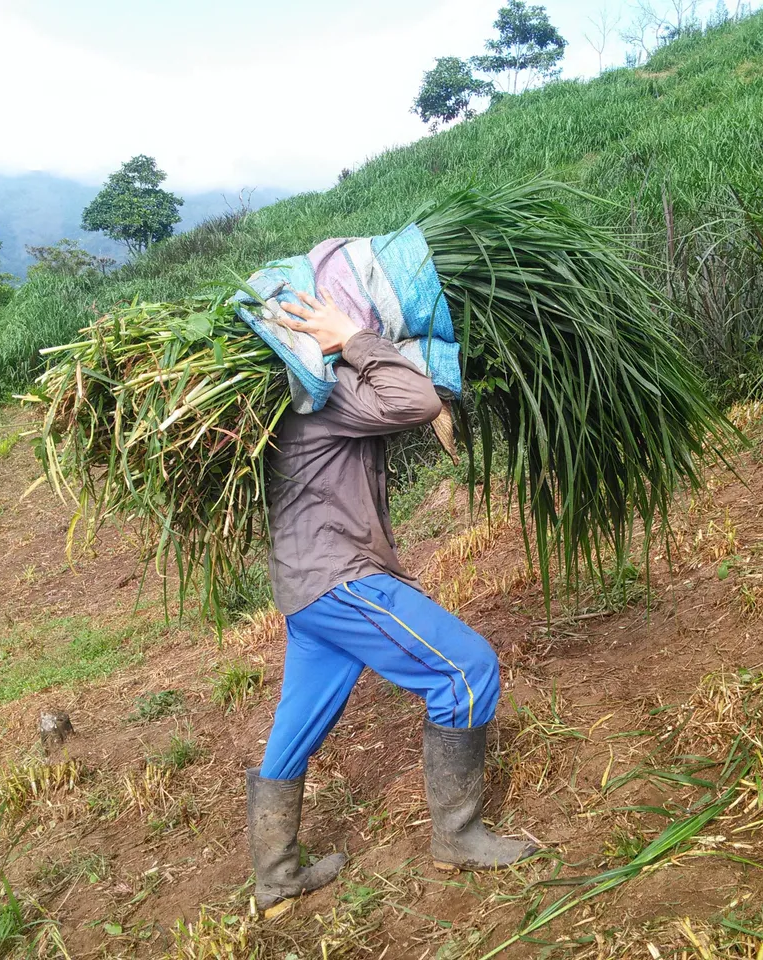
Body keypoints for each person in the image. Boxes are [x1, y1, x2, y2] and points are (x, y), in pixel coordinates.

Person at [244, 288, 537, 914]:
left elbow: (405, 406)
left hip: (303, 589)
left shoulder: (292, 403)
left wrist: (403, 387)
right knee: (468, 670)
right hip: (339, 580)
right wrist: (350, 336)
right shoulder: (316, 392)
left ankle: (275, 878)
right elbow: (414, 397)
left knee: (294, 730)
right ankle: (457, 837)